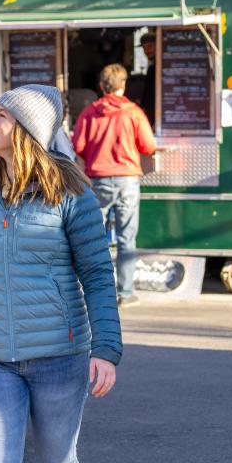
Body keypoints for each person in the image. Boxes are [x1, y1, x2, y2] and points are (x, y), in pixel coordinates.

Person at [0, 84, 123, 463]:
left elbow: (98, 274)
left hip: (60, 355)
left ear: (27, 131)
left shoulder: (72, 194)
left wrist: (107, 350)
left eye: (1, 116)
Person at [71, 63, 157, 307]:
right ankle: (126, 292)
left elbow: (77, 146)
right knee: (127, 238)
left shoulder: (89, 112)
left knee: (94, 238)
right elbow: (148, 146)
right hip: (128, 180)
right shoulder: (134, 112)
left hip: (97, 180)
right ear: (124, 85)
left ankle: (95, 292)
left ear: (101, 86)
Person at [138, 31, 156, 126]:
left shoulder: (157, 69)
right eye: (144, 48)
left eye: (150, 46)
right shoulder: (152, 69)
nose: (147, 51)